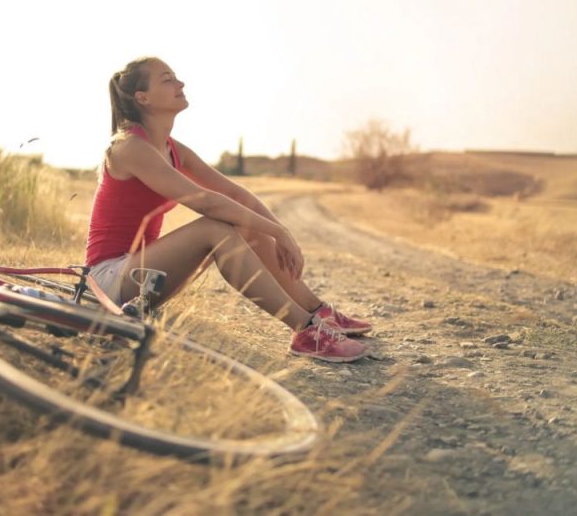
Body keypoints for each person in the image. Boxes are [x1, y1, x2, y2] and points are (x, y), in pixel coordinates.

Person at [85, 56, 373, 363]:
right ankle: (305, 330)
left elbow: (234, 193)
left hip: (144, 278)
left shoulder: (172, 148)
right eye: (167, 80)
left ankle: (317, 311)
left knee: (244, 223)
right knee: (214, 227)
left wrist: (279, 231)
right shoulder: (129, 147)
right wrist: (278, 232)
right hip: (107, 281)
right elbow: (206, 201)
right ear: (142, 98)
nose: (180, 83)